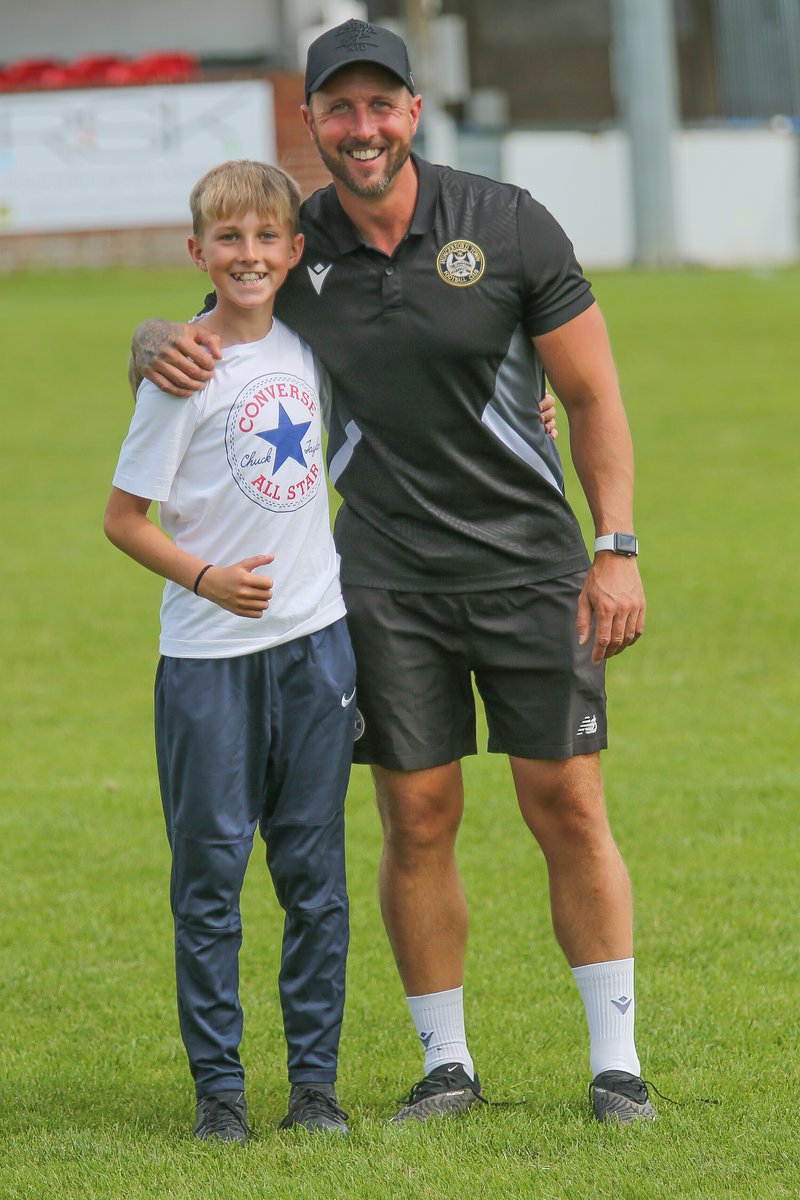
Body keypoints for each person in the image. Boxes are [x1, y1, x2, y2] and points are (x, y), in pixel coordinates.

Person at [130, 20, 653, 1125]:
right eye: (339, 109)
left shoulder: (504, 225)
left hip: (528, 567)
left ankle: (615, 1064)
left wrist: (613, 547)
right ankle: (444, 1065)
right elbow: (217, 315)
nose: (360, 129)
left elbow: (595, 396)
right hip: (381, 582)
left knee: (562, 798)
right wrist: (147, 338)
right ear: (311, 121)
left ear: (414, 113)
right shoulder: (295, 236)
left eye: (381, 106)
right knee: (416, 816)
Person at [105, 159, 357, 1142]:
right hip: (207, 662)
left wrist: (525, 406)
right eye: (229, 239)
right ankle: (219, 1095)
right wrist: (206, 579)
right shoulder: (183, 370)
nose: (248, 256)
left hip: (316, 649)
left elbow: (417, 385)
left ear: (294, 250)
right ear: (197, 251)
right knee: (208, 879)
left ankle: (314, 1090)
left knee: (314, 879)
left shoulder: (313, 346)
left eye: (266, 238)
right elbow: (124, 518)